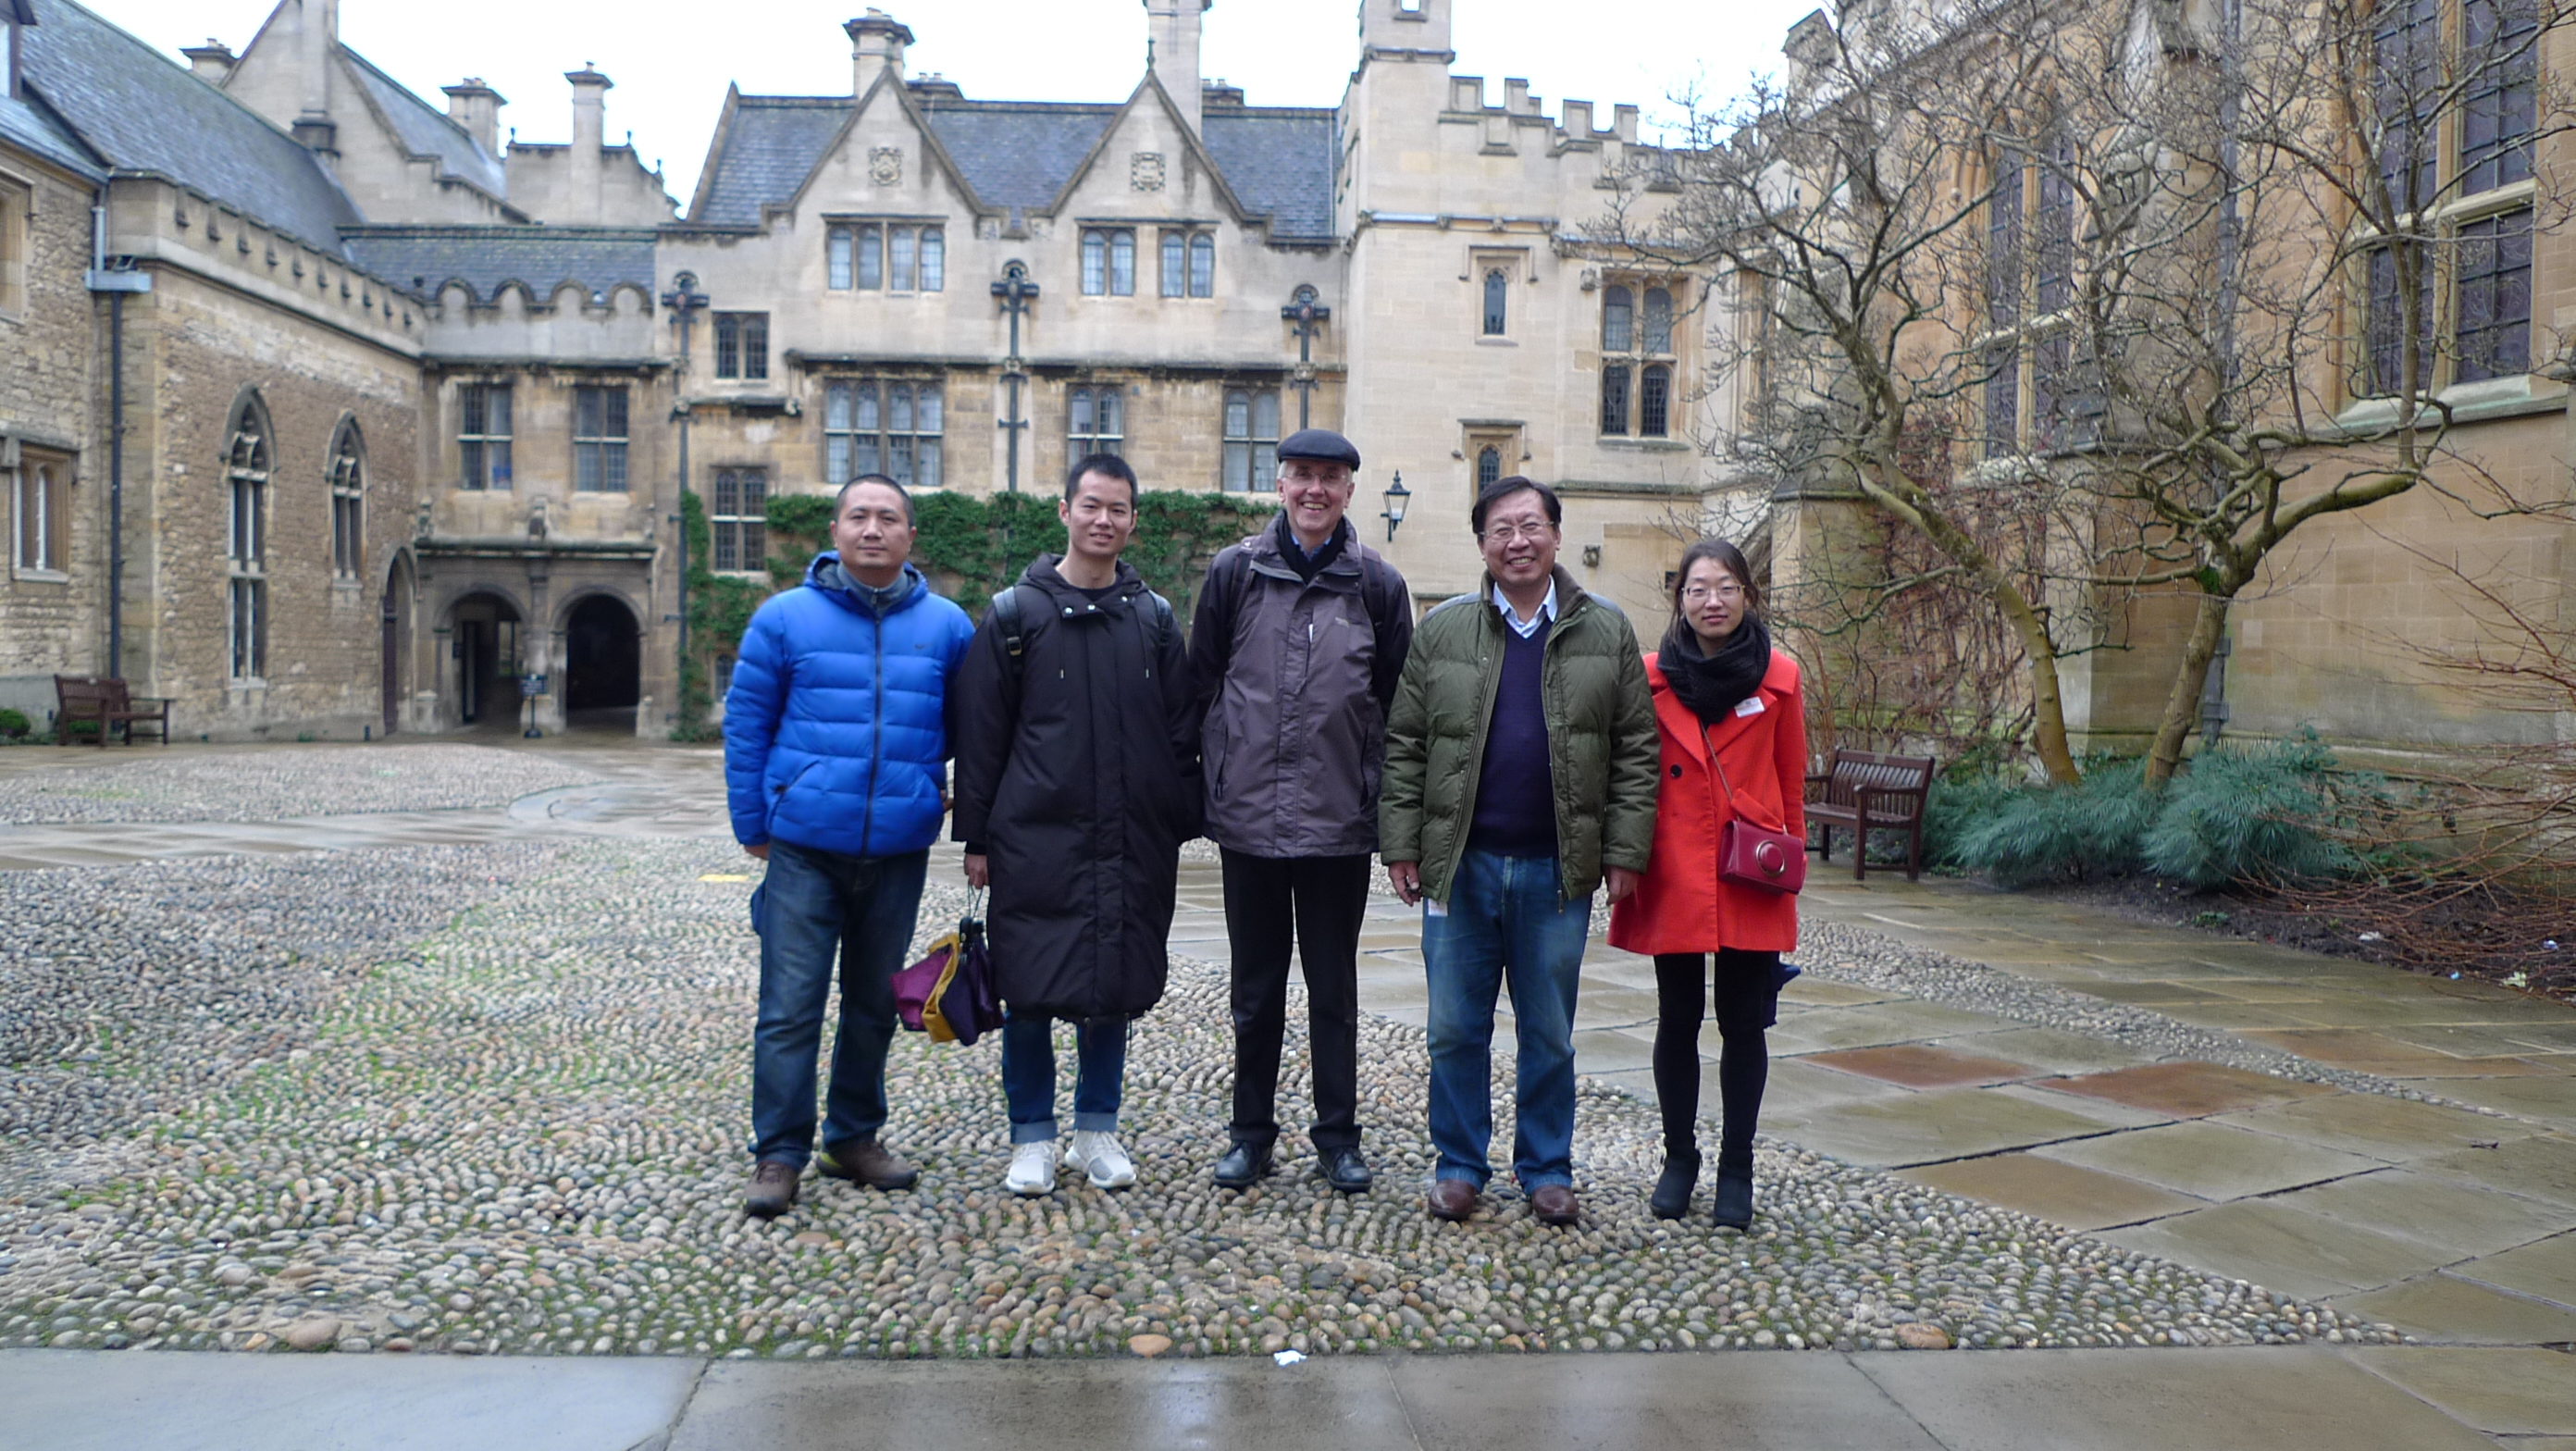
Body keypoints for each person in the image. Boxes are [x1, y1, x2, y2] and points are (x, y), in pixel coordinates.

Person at [1379, 477, 1660, 1226]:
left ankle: (1546, 1167)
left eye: (1531, 525)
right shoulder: (1443, 630)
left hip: (1555, 871)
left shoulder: (1606, 629)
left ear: (1557, 536)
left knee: (1548, 1033)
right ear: (1482, 546)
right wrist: (1402, 845)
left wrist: (1625, 851)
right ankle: (1460, 1164)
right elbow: (1404, 745)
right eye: (1500, 529)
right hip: (1461, 866)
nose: (1517, 541)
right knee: (1453, 1028)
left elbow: (1637, 749)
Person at [724, 474, 976, 1220]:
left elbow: (971, 728)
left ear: (909, 537)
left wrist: (941, 793)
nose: (873, 529)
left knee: (872, 1004)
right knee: (789, 1008)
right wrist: (754, 823)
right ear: (834, 531)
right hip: (804, 847)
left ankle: (853, 1136)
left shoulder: (948, 627)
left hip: (896, 848)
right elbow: (747, 727)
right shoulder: (783, 620)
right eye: (859, 516)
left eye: (888, 518)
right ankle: (779, 1152)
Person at [950, 453, 1201, 1197]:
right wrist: (978, 838)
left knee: (1111, 987)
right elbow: (982, 733)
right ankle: (1031, 1135)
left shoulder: (1153, 620)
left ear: (1132, 520)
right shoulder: (1012, 616)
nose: (1104, 520)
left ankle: (1097, 1128)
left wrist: (1175, 822)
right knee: (1028, 989)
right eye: (1091, 505)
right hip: (1035, 835)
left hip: (1128, 837)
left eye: (1118, 509)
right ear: (1065, 512)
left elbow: (1181, 729)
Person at [1188, 428, 1413, 1195]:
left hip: (1336, 827)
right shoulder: (1234, 574)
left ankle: (1337, 1137)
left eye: (1330, 477)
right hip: (1249, 822)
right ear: (1278, 484)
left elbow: (1396, 706)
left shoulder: (1376, 586)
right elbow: (1199, 688)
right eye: (1301, 476)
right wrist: (1200, 795)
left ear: (1349, 490)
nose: (1314, 490)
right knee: (1254, 992)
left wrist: (1385, 815)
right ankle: (1250, 1135)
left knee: (1333, 993)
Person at [1608, 538, 1805, 1230]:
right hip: (1676, 867)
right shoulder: (1651, 676)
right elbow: (1629, 770)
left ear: (1748, 595)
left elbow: (1790, 779)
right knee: (1678, 1018)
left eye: (1724, 587)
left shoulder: (1780, 677)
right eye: (1697, 589)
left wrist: (1792, 865)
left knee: (1744, 1025)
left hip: (1750, 870)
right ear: (1679, 599)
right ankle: (1678, 1158)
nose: (1711, 600)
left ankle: (1736, 1168)